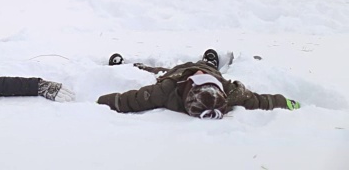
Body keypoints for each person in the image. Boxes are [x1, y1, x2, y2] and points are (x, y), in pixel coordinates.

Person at [97, 49, 301, 119]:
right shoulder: (231, 93)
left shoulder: (166, 90)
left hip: (175, 74)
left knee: (157, 71)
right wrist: (291, 104)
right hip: (214, 72)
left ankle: (132, 65)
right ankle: (210, 63)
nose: (200, 74)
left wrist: (100, 103)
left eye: (200, 78)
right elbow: (263, 101)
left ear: (189, 89)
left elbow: (132, 100)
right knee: (204, 64)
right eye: (204, 78)